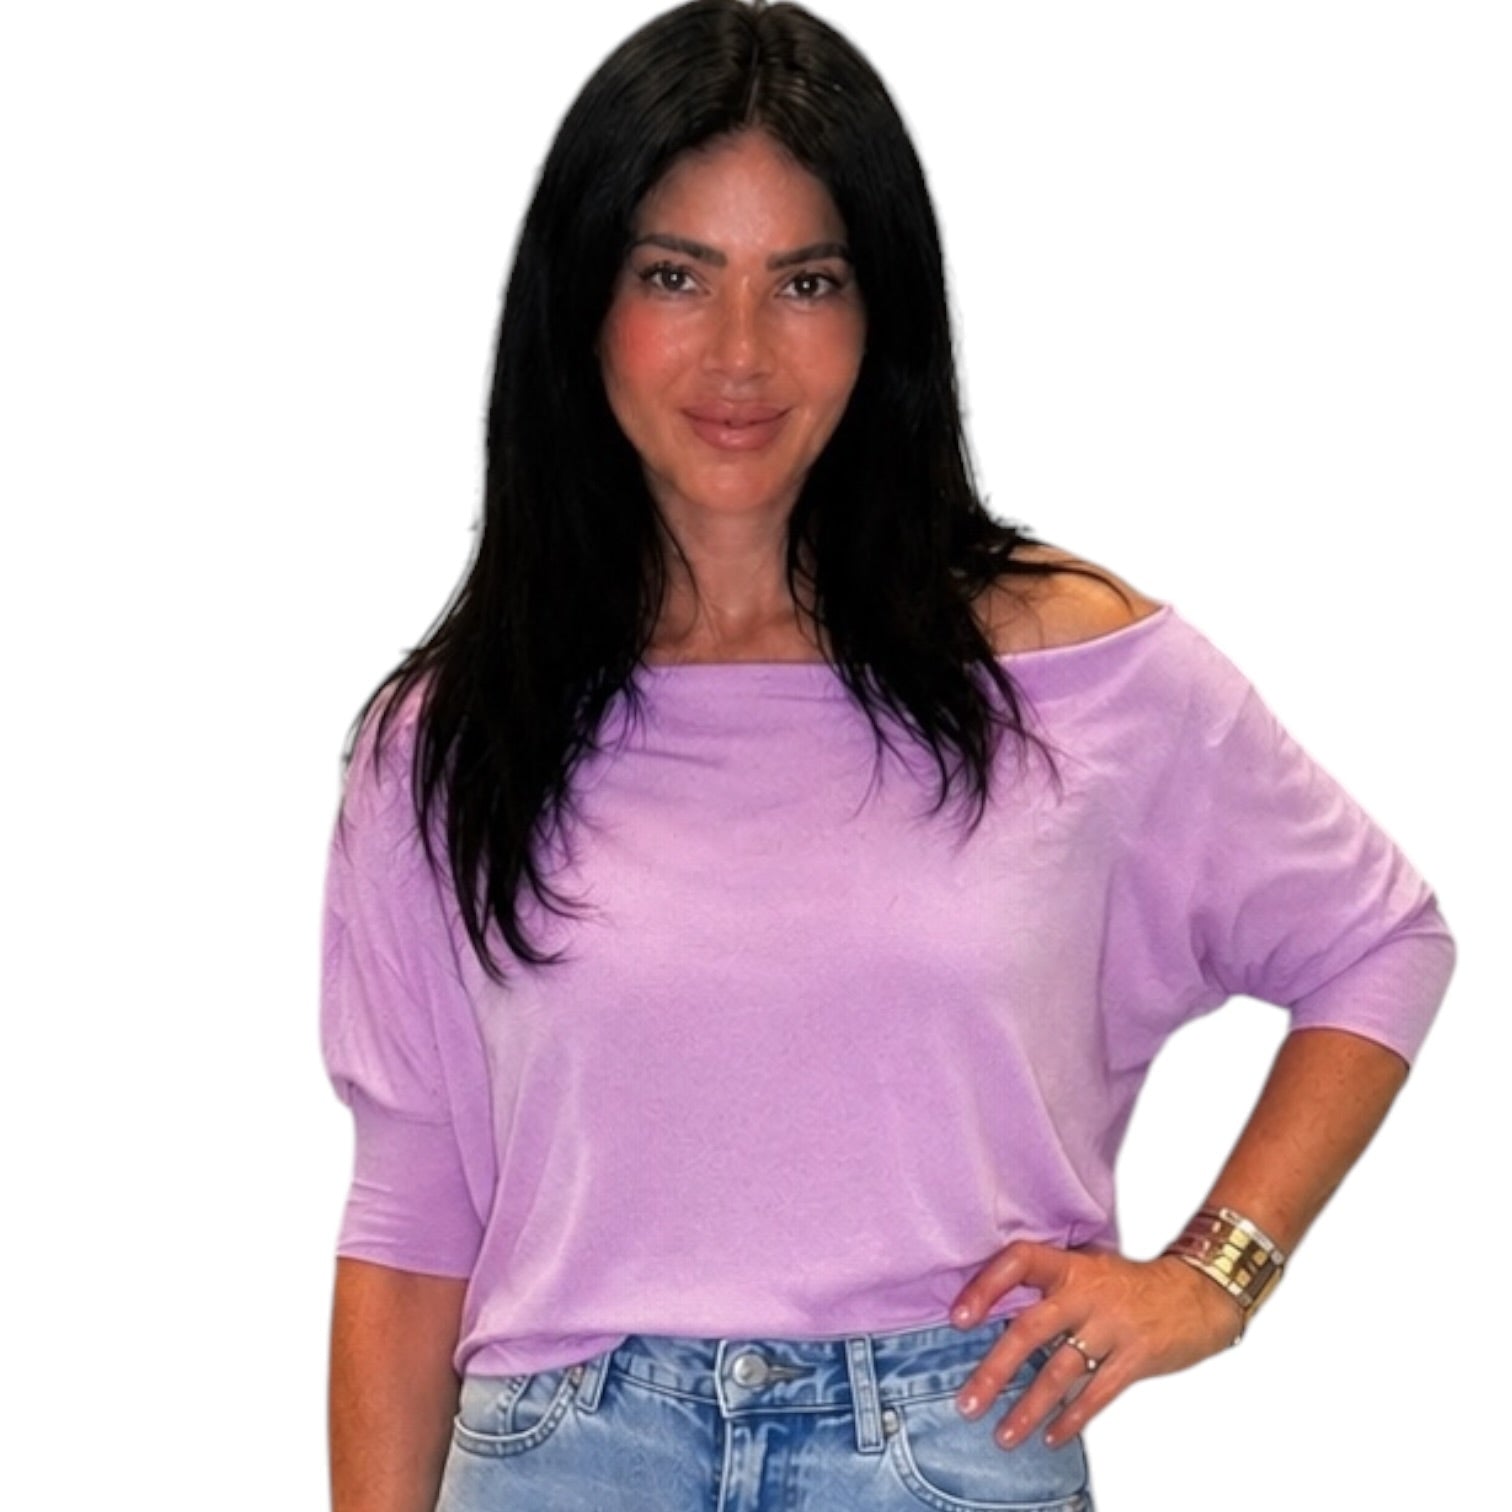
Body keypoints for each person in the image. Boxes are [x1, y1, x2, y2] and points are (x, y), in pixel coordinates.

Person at [321, 2, 1455, 1508]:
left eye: (807, 281)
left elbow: (1378, 942)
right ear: (583, 303)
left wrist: (1216, 1273)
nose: (740, 352)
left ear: (882, 316)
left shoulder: (1067, 673)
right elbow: (412, 1229)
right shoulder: (454, 735)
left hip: (943, 1443)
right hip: (566, 1456)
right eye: (675, 275)